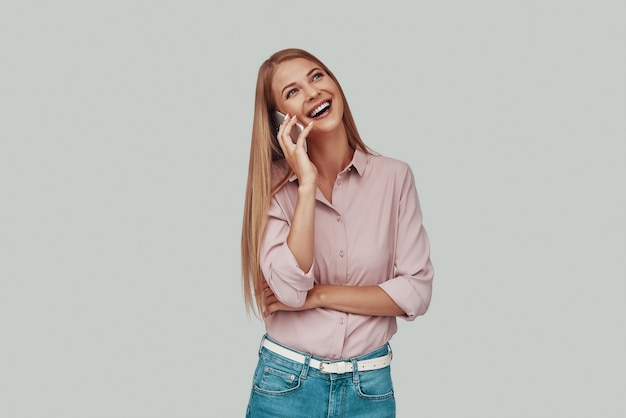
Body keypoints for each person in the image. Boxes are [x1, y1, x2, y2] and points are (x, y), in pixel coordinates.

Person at [241, 48, 434, 418]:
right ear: (280, 119)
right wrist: (307, 183)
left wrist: (322, 296)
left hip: (370, 388)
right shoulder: (273, 191)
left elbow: (417, 292)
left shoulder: (395, 178)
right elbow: (291, 291)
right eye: (292, 91)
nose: (313, 92)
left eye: (316, 76)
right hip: (285, 386)